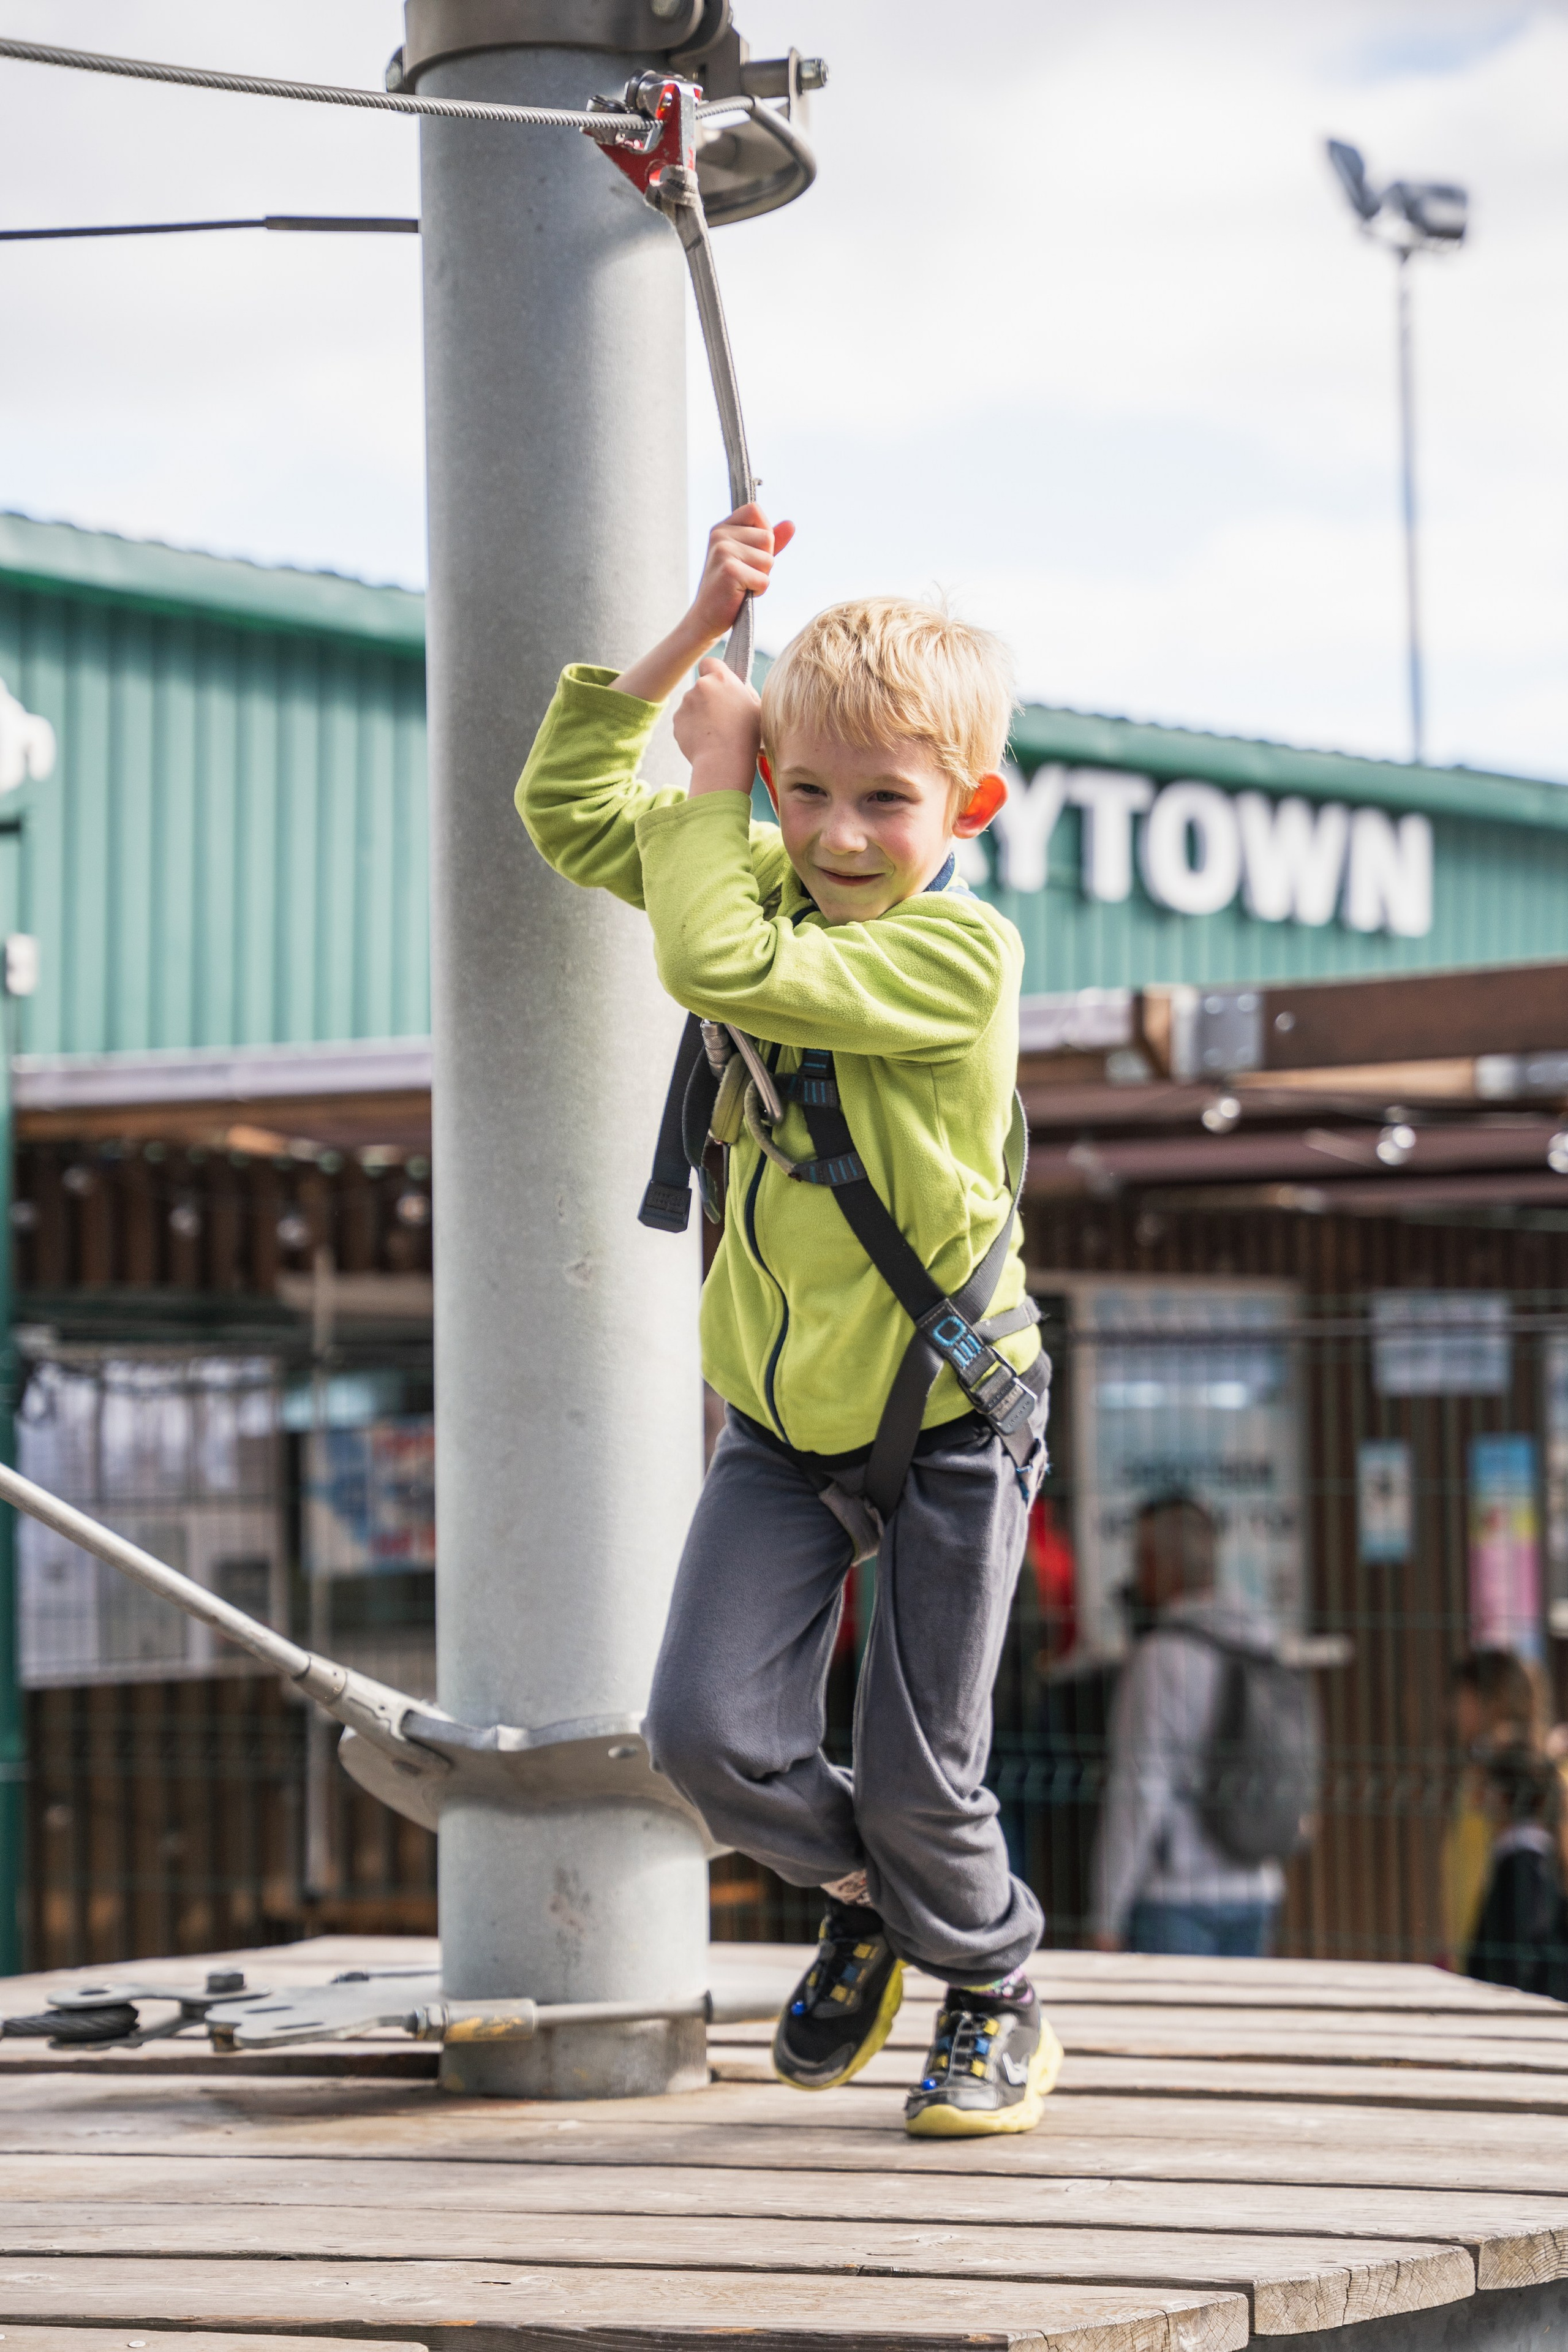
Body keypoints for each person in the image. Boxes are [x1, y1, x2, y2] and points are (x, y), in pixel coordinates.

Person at [515, 504, 1058, 2138]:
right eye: (801, 790)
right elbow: (559, 807)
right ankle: (876, 1902)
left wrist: (713, 792)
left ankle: (995, 1985)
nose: (832, 835)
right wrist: (694, 631)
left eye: (883, 802)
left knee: (920, 1769)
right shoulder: (749, 864)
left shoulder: (958, 956)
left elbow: (713, 961)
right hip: (783, 1429)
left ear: (968, 809)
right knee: (701, 1734)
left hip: (955, 1415)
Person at [1088, 1493, 1283, 1956]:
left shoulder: (1159, 1660)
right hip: (1258, 1883)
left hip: (1177, 1895)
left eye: (1140, 1558)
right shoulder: (1264, 1643)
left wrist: (1107, 1915)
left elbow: (1139, 1791)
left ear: (1158, 1565)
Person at [1442, 1650, 1545, 1970]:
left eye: (1463, 1698)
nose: (1453, 1712)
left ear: (1490, 1700)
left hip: (1510, 1958)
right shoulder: (1476, 1775)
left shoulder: (1528, 1779)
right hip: (1479, 1949)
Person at [1465, 1743, 1568, 2000]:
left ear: (1503, 1796)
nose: (1478, 1798)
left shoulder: (1523, 1864)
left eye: (1486, 1787)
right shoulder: (1524, 1857)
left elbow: (1524, 1958)